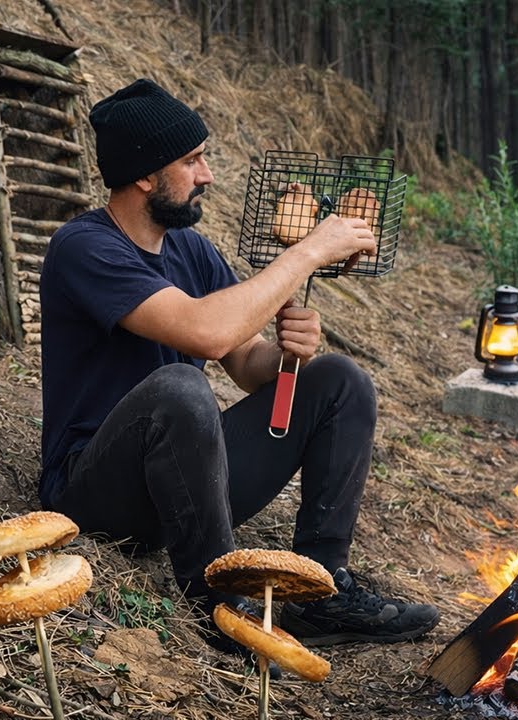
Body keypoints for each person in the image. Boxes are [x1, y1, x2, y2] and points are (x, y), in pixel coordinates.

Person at [37, 78, 439, 657]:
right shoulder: (84, 247)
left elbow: (246, 362)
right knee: (180, 385)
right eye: (192, 161)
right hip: (95, 493)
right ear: (146, 175)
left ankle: (319, 591)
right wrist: (306, 251)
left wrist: (286, 354)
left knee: (339, 381)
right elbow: (205, 331)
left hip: (182, 486)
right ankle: (223, 608)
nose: (207, 176)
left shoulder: (189, 250)